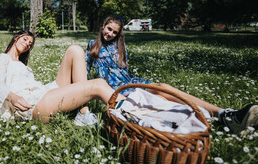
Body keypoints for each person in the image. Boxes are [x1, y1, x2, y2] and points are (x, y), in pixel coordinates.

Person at [85, 15, 258, 134]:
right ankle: (219, 118)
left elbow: (125, 70)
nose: (110, 34)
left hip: (132, 82)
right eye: (109, 29)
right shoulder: (92, 45)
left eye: (115, 32)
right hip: (117, 90)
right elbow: (84, 72)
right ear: (103, 26)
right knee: (162, 96)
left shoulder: (119, 46)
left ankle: (225, 114)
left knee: (164, 88)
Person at [0, 30, 126, 124]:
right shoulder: (3, 58)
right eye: (25, 39)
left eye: (30, 44)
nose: (27, 44)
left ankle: (83, 111)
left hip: (42, 93)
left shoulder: (22, 65)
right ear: (16, 37)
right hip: (32, 104)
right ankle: (133, 111)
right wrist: (12, 97)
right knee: (98, 85)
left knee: (75, 49)